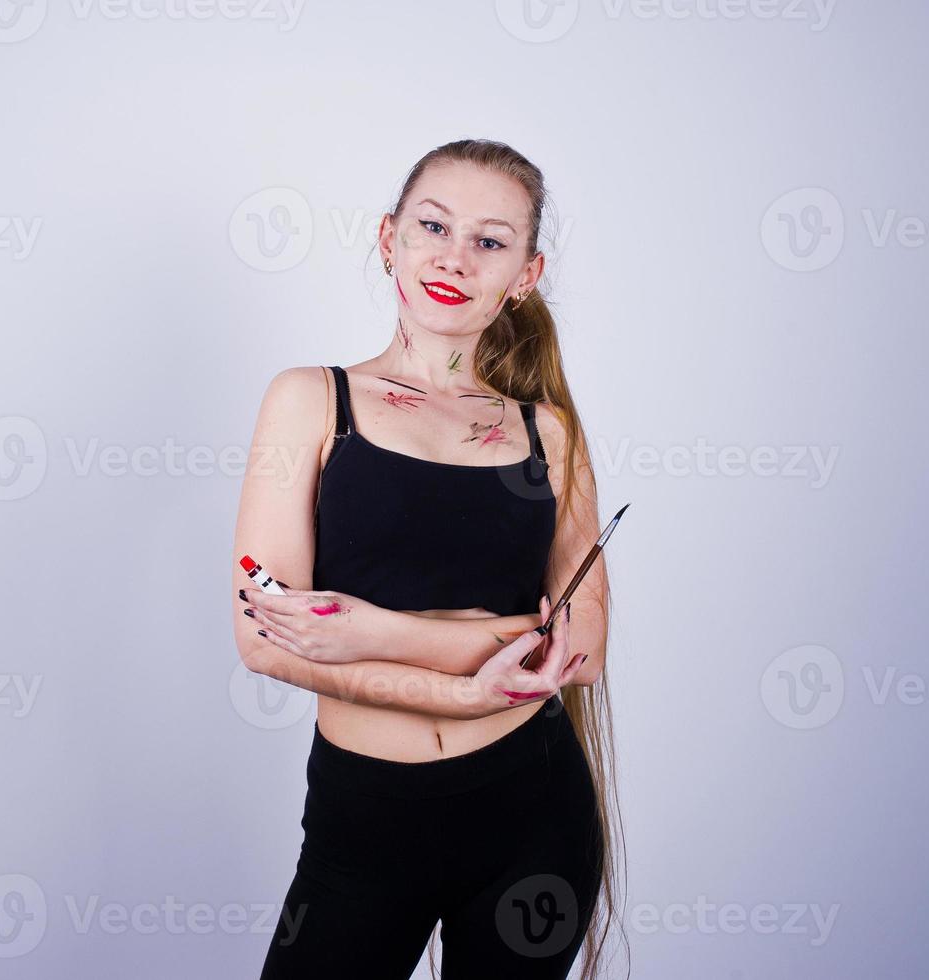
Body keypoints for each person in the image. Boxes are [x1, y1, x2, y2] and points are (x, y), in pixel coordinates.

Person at [232, 139, 625, 980]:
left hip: (532, 816)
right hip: (363, 823)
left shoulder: (544, 432)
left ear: (525, 272)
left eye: (489, 241)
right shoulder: (309, 400)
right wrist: (463, 682)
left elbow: (582, 649)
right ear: (387, 240)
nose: (454, 257)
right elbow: (263, 639)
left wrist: (374, 630)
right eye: (432, 227)